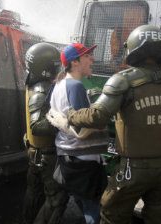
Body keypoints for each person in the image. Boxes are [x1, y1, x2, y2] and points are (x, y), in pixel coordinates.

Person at [67, 25, 161, 224]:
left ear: (132, 48)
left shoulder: (123, 80)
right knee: (159, 219)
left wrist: (71, 115)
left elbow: (98, 117)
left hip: (133, 169)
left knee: (113, 217)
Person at [49, 43, 109, 224]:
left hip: (69, 158)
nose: (92, 58)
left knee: (85, 206)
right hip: (84, 161)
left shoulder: (60, 85)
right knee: (95, 213)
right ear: (74, 62)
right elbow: (84, 125)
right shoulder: (75, 86)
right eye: (86, 56)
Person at [23, 42, 69, 224]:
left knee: (34, 194)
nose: (58, 68)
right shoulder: (42, 88)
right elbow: (37, 126)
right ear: (45, 68)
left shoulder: (31, 80)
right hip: (46, 156)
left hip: (35, 153)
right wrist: (66, 120)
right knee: (57, 199)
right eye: (55, 65)